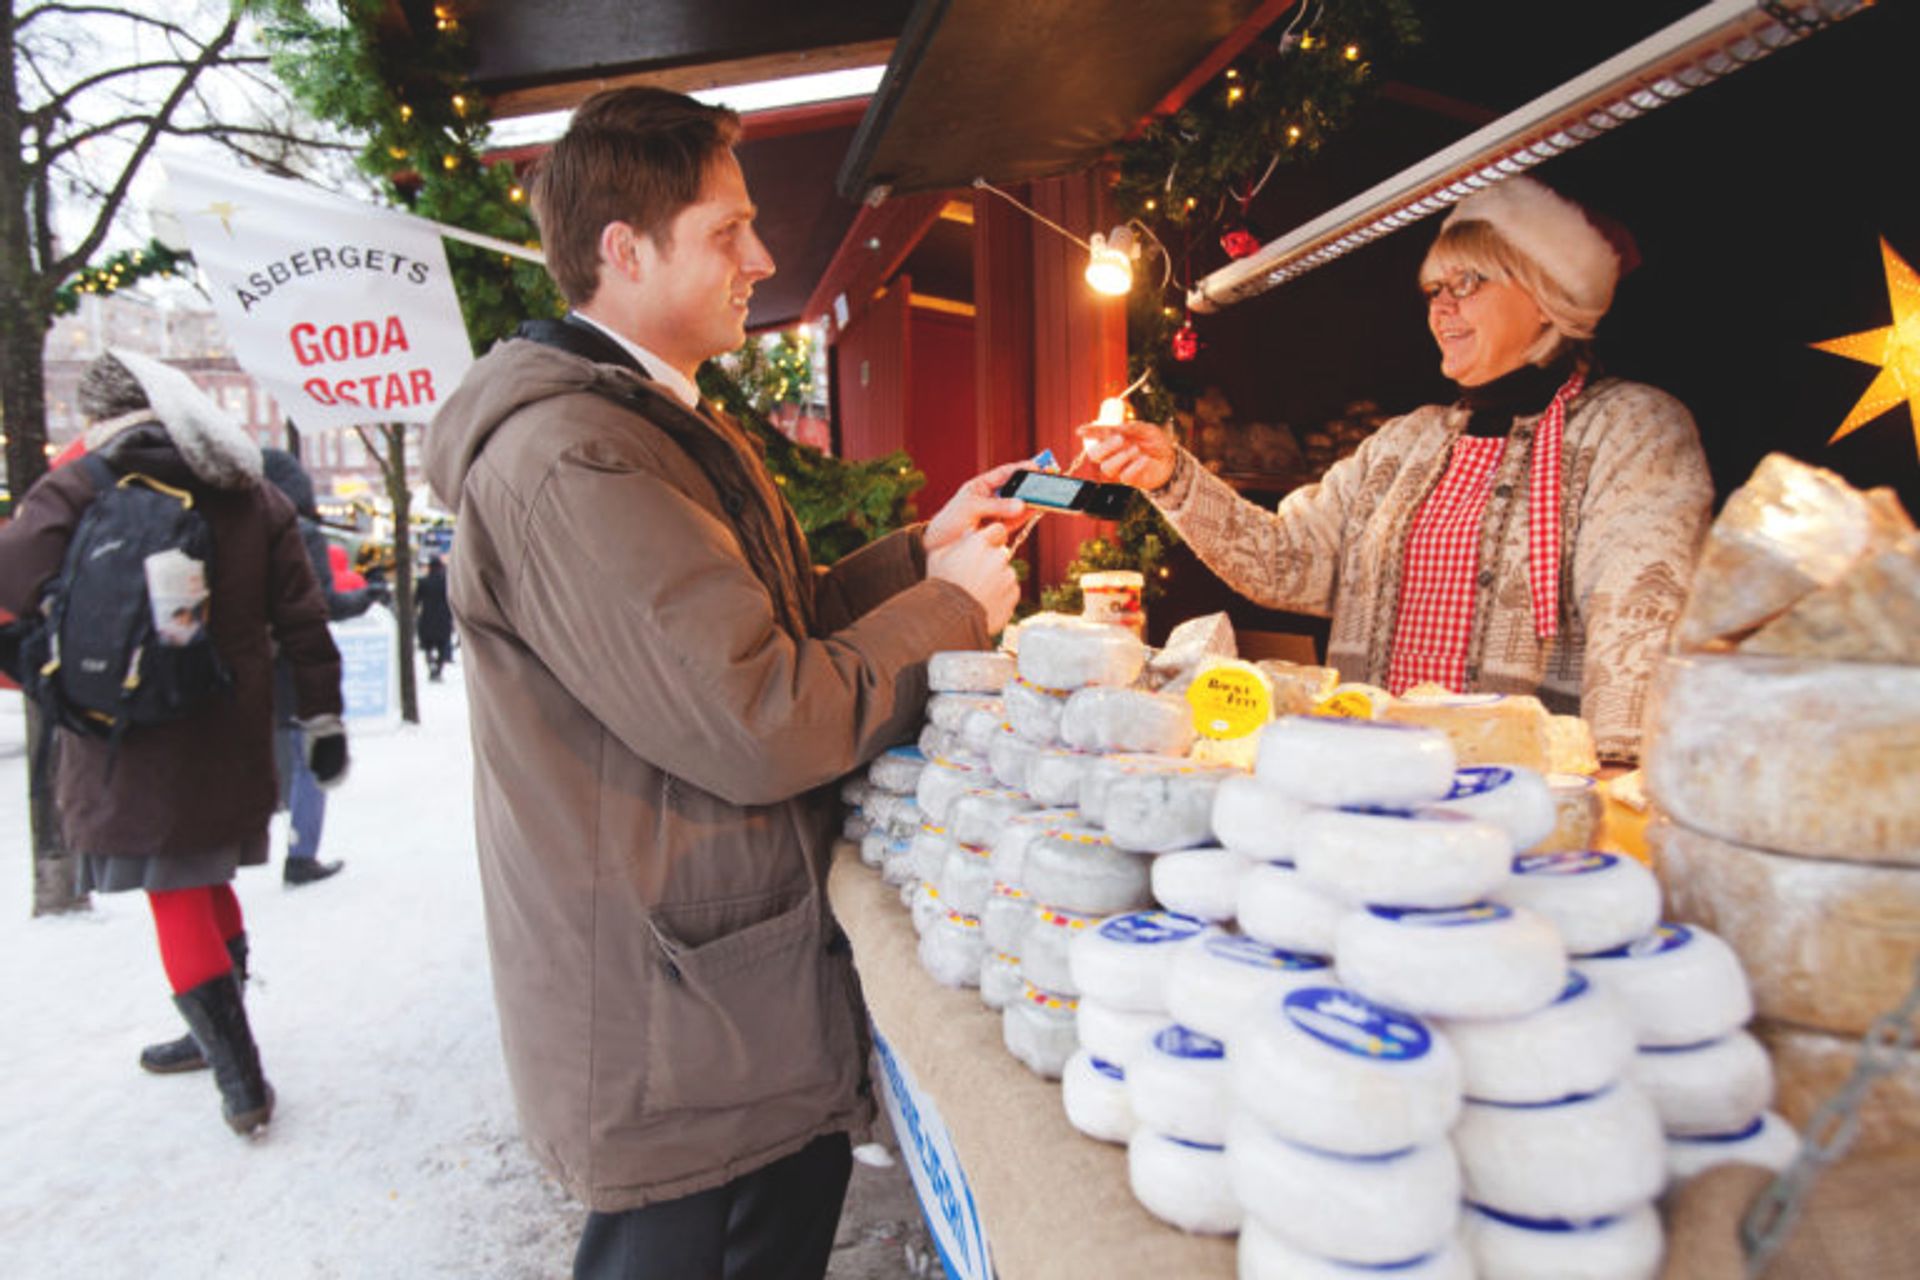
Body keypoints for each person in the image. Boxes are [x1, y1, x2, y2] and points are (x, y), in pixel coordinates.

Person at [422, 86, 1021, 1280]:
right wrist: (953, 607)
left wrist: (920, 552)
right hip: (677, 1022)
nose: (763, 254)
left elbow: (759, 631)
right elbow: (763, 717)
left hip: (709, 992)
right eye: (727, 229)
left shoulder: (640, 418)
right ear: (622, 251)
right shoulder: (581, 456)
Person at [1081, 176, 1712, 765]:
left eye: (1469, 284)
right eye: (1436, 289)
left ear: (1549, 295)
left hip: (1516, 804)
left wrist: (1613, 781)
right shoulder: (1404, 443)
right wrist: (1170, 477)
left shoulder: (1629, 428)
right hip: (1372, 777)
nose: (1442, 310)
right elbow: (1285, 562)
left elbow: (1639, 621)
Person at [0, 350, 346, 1135]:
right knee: (205, 873)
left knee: (176, 891)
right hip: (231, 728)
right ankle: (212, 1028)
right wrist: (321, 718)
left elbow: (10, 575)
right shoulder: (250, 488)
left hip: (133, 733)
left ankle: (239, 1079)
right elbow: (303, 617)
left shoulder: (86, 480)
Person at [263, 447, 381, 888]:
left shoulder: (237, 527)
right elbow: (320, 605)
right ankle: (301, 852)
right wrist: (367, 597)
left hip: (249, 668)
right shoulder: (301, 532)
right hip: (296, 667)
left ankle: (253, 850)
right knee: (309, 763)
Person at [415, 554, 454, 680]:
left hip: (427, 617)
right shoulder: (446, 583)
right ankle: (438, 669)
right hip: (443, 618)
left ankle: (430, 663)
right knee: (443, 645)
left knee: (427, 646)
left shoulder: (423, 582)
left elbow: (416, 600)